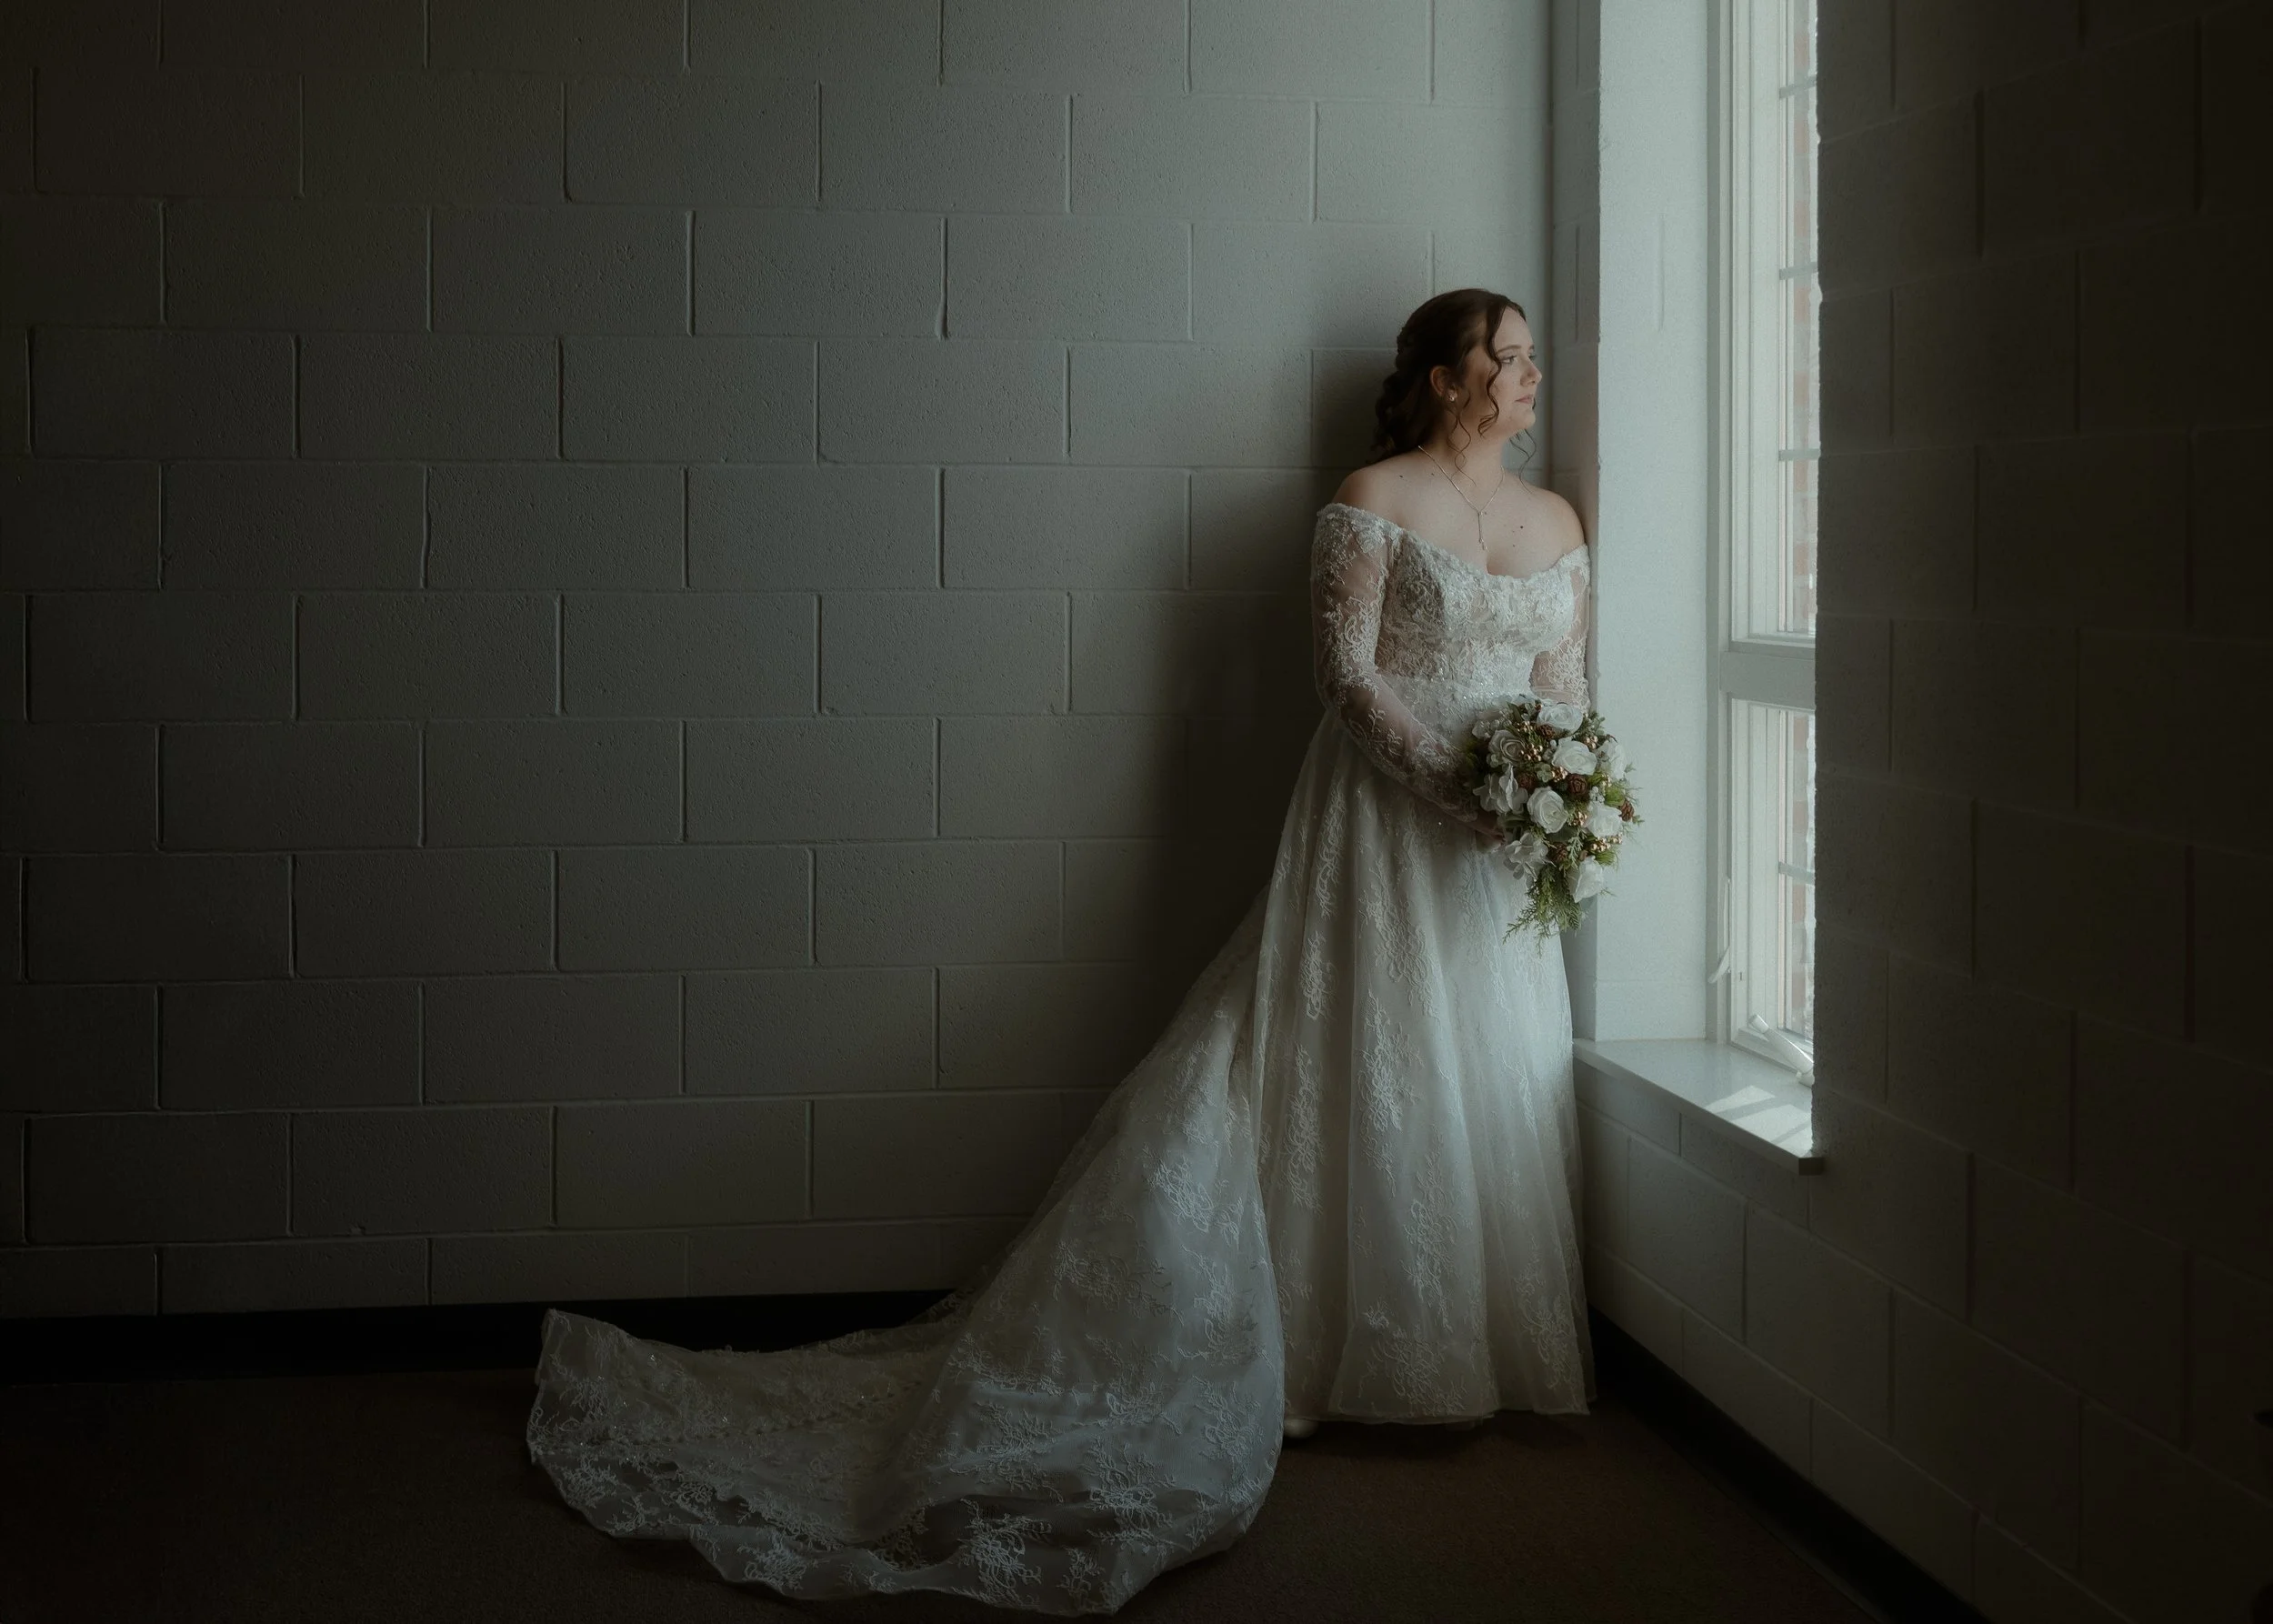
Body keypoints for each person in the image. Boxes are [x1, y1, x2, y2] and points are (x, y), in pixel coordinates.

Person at [525, 288, 1596, 1615]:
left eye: (1530, 357)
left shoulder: (1555, 523)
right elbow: (1346, 676)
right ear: (1443, 378)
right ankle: (1315, 1359)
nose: (1533, 375)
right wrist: (1455, 779)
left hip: (1493, 858)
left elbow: (1564, 686)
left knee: (1474, 1075)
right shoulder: (1370, 497)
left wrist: (1558, 787)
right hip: (1381, 827)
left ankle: (1455, 1352)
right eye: (1509, 356)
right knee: (1351, 1062)